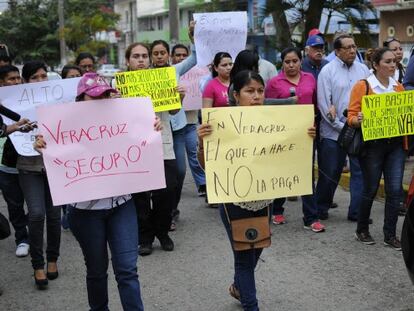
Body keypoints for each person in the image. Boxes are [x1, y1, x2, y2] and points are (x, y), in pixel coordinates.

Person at [35, 72, 160, 310]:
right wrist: (43, 146)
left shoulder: (123, 120)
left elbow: (143, 143)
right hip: (85, 213)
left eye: (106, 95)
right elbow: (57, 165)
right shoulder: (62, 127)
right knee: (96, 270)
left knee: (127, 270)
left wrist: (151, 127)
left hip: (121, 206)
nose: (102, 100)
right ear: (80, 100)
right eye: (95, 96)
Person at [198, 70, 316, 310]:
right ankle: (251, 305)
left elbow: (289, 154)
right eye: (249, 91)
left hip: (264, 196)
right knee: (244, 254)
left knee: (259, 246)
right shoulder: (221, 123)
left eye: (260, 91)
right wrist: (203, 142)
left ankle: (238, 286)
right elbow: (207, 166)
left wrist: (305, 137)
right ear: (235, 94)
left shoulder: (276, 121)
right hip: (234, 201)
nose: (256, 96)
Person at [347, 48, 405, 250]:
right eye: (388, 61)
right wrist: (357, 119)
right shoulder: (363, 86)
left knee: (394, 191)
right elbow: (351, 116)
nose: (392, 65)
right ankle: (362, 229)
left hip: (395, 145)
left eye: (394, 62)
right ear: (376, 65)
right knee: (370, 188)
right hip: (372, 146)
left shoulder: (398, 87)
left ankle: (390, 234)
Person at [265, 47, 325, 232]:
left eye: (295, 61)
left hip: (307, 134)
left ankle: (310, 218)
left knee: (306, 174)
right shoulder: (274, 83)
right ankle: (277, 209)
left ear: (301, 61)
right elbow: (267, 109)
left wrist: (315, 126)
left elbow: (315, 104)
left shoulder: (310, 79)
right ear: (282, 63)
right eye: (287, 62)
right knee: (282, 172)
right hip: (282, 135)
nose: (291, 65)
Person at [316, 34, 370, 222]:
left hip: (359, 130)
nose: (352, 50)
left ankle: (356, 212)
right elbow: (325, 105)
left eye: (354, 46)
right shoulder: (327, 71)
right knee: (331, 172)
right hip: (333, 132)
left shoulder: (363, 70)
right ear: (337, 51)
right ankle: (320, 208)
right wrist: (343, 127)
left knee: (359, 173)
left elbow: (369, 98)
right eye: (347, 47)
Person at [18, 61, 61, 289]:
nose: (40, 81)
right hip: (28, 165)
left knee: (54, 215)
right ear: (25, 81)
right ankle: (38, 264)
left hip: (54, 165)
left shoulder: (58, 101)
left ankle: (53, 259)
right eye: (34, 77)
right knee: (36, 214)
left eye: (43, 76)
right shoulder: (16, 104)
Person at [170, 43, 206, 230]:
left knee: (179, 170)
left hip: (179, 128)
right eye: (155, 53)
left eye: (162, 53)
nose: (159, 57)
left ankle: (173, 210)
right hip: (153, 130)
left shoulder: (174, 70)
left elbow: (194, 58)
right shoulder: (143, 77)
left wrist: (194, 37)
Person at [0, 65, 30, 257]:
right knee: (15, 204)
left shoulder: (29, 98)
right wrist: (14, 128)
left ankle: (29, 229)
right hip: (7, 164)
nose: (16, 82)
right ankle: (22, 238)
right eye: (11, 79)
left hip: (30, 162)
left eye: (18, 78)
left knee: (37, 208)